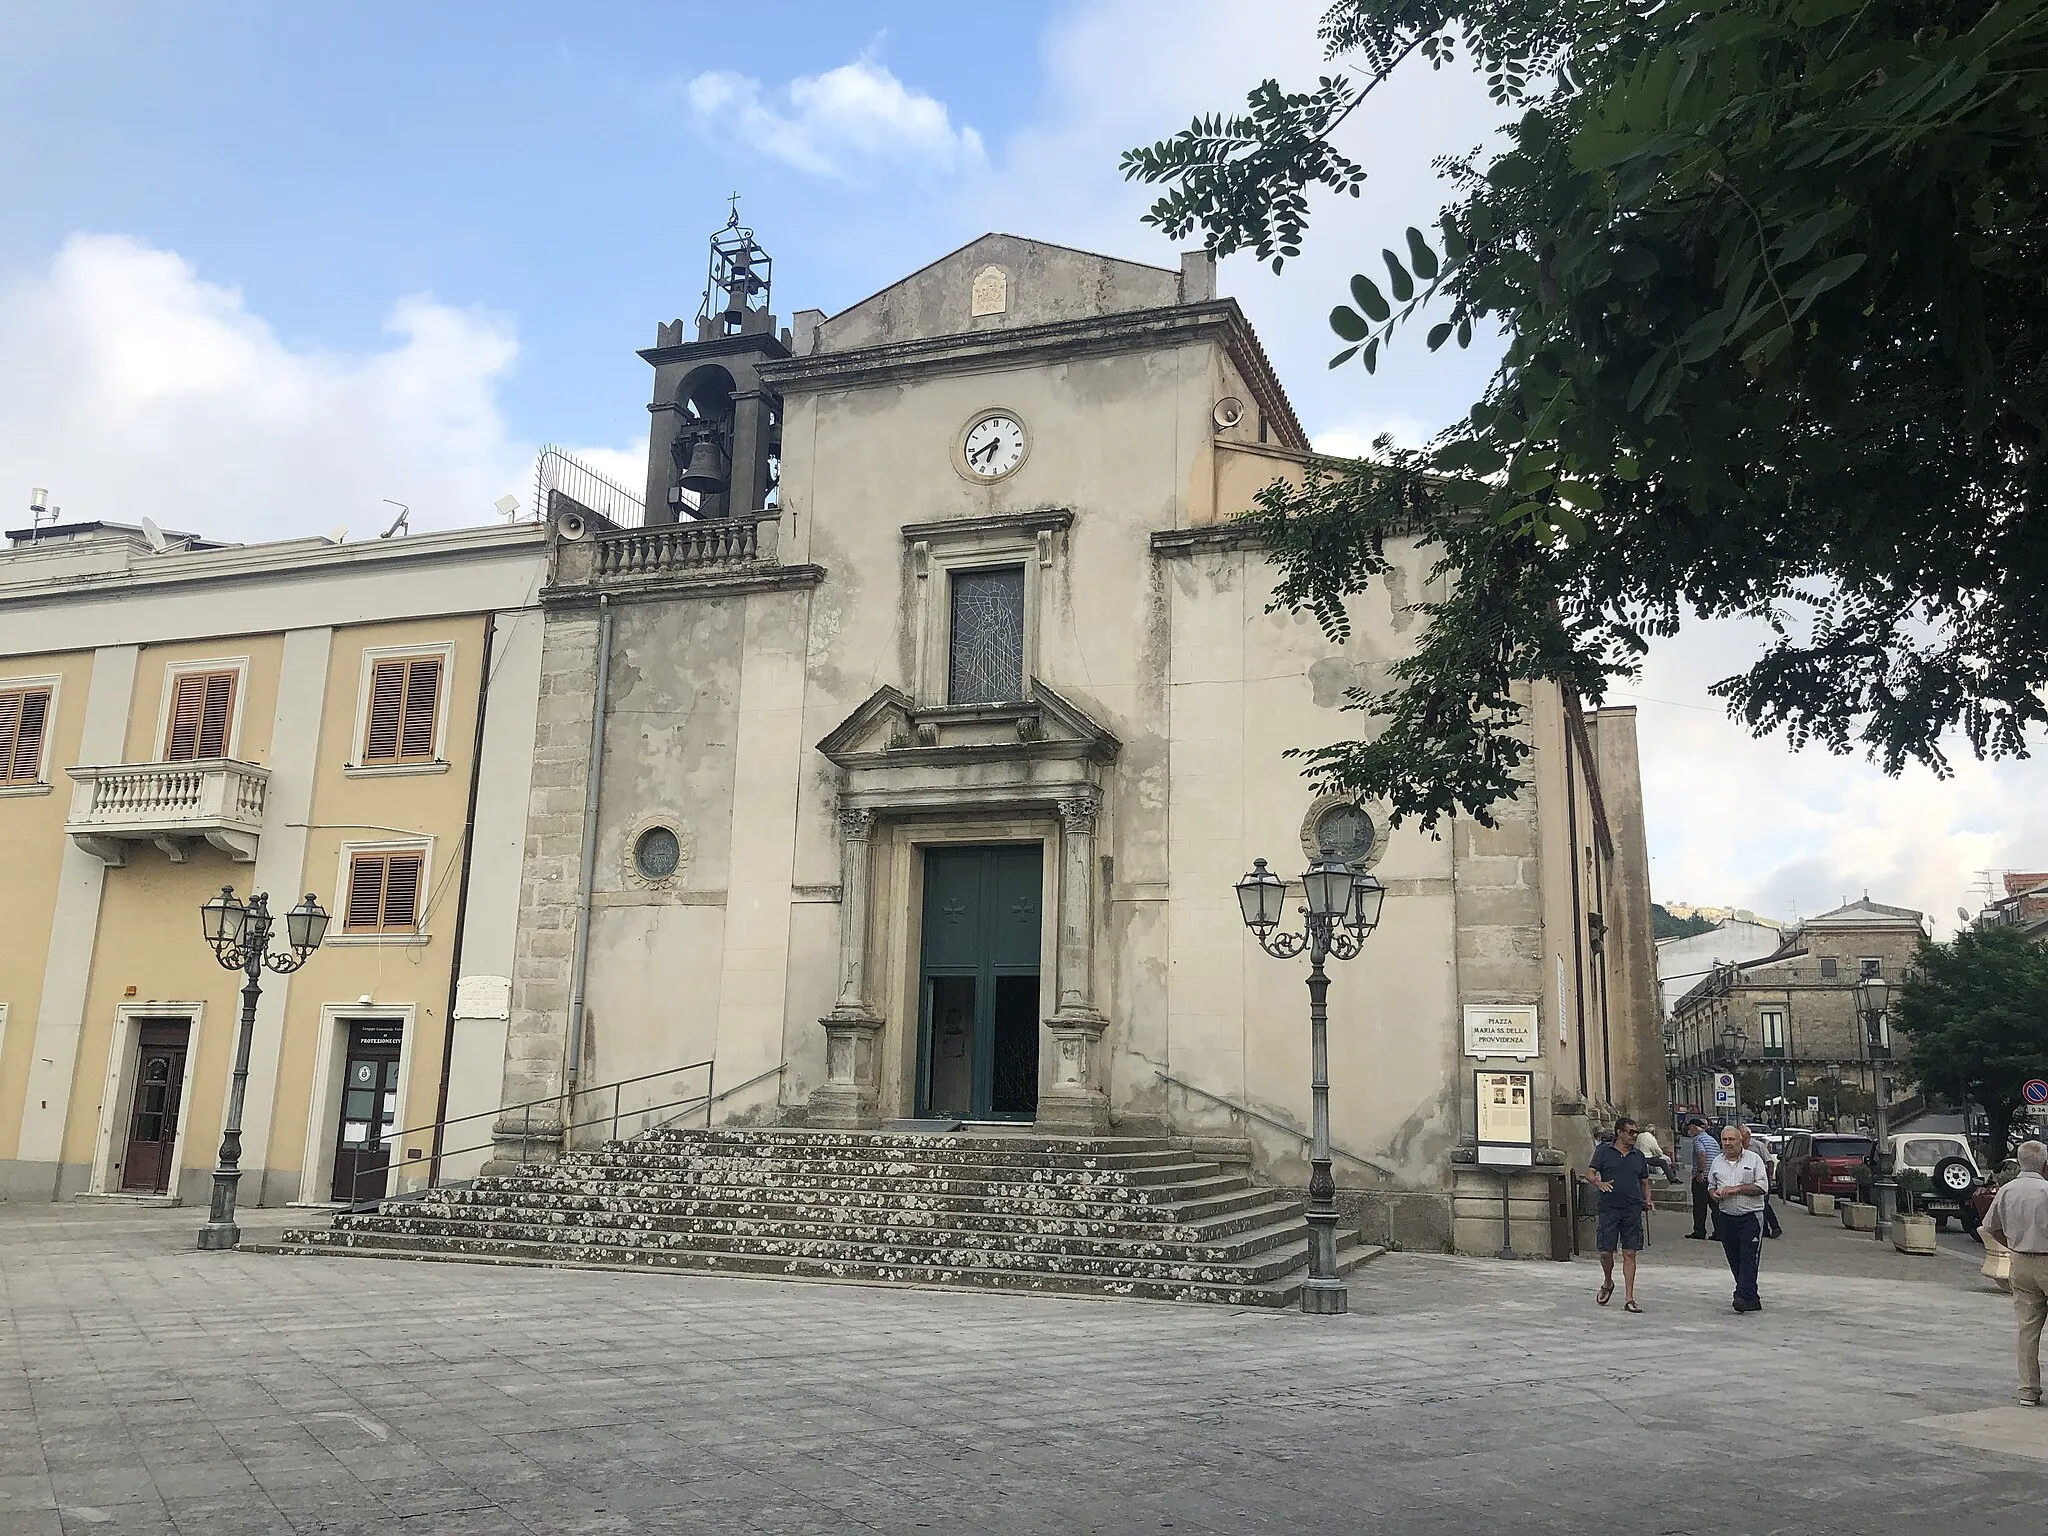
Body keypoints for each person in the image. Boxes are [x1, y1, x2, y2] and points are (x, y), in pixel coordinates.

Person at [1982, 1140, 2048, 1406]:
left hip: (2019, 1262)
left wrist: (2012, 1244)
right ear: (2045, 1164)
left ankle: (2028, 1390)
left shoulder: (2006, 1190)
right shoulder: (2046, 1190)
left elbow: (1990, 1226)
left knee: (2027, 1330)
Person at [1588, 1117, 1653, 1313]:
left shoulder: (1638, 1156)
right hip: (1609, 1207)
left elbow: (1645, 1182)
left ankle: (1629, 1298)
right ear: (1619, 1132)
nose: (1634, 1136)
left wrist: (1648, 1199)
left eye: (1636, 1132)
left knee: (1630, 1252)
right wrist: (1599, 1184)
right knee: (1606, 1252)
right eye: (1631, 1132)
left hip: (1632, 1208)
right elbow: (1590, 1173)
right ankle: (1608, 1281)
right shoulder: (1603, 1151)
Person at [1709, 1124, 1771, 1313]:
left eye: (1731, 1139)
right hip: (1726, 1216)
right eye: (1724, 1140)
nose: (1727, 1144)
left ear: (1740, 1141)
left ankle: (1741, 1295)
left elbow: (1762, 1187)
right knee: (1734, 1257)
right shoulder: (1717, 1162)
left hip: (1750, 1217)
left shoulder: (1754, 1160)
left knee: (1748, 1256)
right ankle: (1751, 1298)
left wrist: (1737, 1189)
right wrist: (1714, 1194)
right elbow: (1711, 1185)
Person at [1738, 1125, 1783, 1239]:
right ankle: (1764, 1230)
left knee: (1764, 1205)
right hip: (1745, 1181)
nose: (1742, 1140)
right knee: (1757, 1205)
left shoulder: (1758, 1146)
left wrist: (1768, 1178)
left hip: (1760, 1180)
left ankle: (1776, 1227)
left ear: (1748, 1136)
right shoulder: (1739, 1147)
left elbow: (1769, 1161)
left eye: (1743, 1137)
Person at [1685, 1117, 1721, 1240]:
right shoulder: (1713, 1140)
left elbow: (1702, 1153)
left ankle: (1699, 1231)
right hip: (1713, 1179)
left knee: (1700, 1207)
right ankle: (1719, 1232)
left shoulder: (1698, 1139)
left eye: (1690, 1128)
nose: (1689, 1131)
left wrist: (1700, 1171)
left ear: (1694, 1128)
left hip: (1701, 1179)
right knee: (1715, 1207)